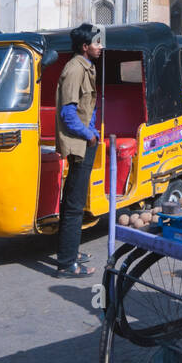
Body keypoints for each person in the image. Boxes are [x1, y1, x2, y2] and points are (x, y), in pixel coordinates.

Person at [54, 23, 102, 277]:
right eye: (96, 43)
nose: (100, 47)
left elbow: (86, 109)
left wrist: (91, 131)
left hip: (84, 142)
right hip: (78, 144)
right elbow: (68, 113)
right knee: (73, 204)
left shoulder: (86, 66)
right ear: (85, 47)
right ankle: (66, 263)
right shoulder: (74, 70)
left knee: (76, 201)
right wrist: (90, 135)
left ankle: (70, 251)